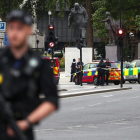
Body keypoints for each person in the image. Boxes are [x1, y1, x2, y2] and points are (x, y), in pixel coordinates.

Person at [0, 10, 58, 140]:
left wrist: (27, 122)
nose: (14, 32)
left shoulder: (39, 64)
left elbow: (52, 101)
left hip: (21, 129)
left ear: (29, 30)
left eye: (20, 28)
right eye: (11, 28)